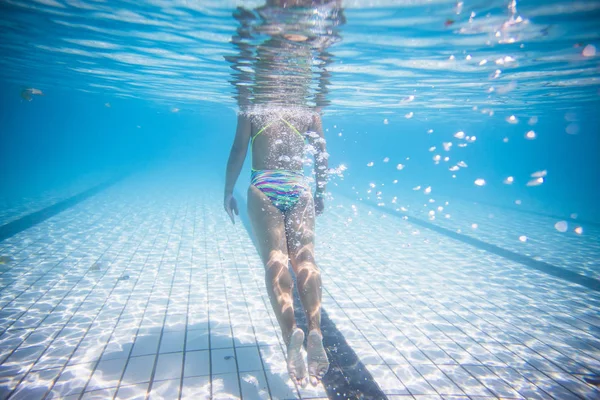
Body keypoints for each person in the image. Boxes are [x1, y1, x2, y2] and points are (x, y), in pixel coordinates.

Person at [223, 0, 344, 388]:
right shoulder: (309, 108)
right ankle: (317, 332)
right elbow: (322, 156)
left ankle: (291, 332)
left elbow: (238, 151)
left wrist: (227, 191)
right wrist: (321, 190)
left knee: (276, 260)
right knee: (306, 259)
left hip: (264, 186)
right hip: (299, 186)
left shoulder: (253, 104)